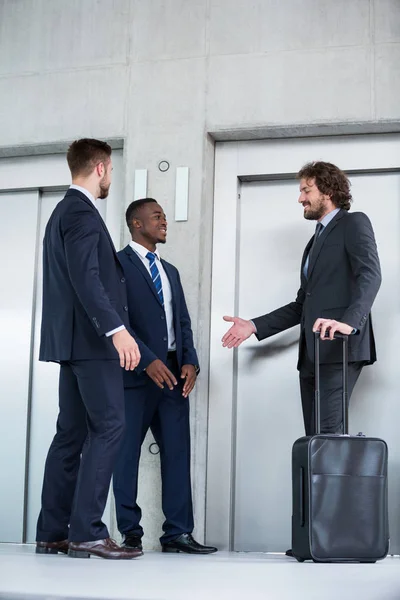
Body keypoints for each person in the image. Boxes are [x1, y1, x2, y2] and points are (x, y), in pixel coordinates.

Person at [35, 138, 142, 560]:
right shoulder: (81, 212)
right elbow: (86, 277)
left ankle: (53, 533)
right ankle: (87, 533)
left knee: (71, 434)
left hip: (72, 343)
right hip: (94, 343)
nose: (110, 178)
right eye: (112, 171)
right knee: (110, 426)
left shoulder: (61, 212)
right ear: (100, 168)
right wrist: (116, 329)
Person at [222, 161, 381, 437]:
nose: (300, 198)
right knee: (314, 438)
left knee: (328, 436)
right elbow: (301, 305)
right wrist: (253, 325)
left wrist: (349, 323)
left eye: (306, 190)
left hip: (339, 348)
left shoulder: (354, 223)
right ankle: (313, 483)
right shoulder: (314, 241)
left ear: (328, 191)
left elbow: (371, 275)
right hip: (311, 354)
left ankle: (333, 482)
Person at [113, 198, 217, 555]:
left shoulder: (169, 270)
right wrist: (146, 359)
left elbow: (182, 322)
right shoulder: (117, 264)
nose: (164, 221)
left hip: (174, 374)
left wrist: (190, 361)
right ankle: (130, 533)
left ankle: (177, 533)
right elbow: (117, 322)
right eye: (157, 216)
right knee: (124, 455)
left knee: (177, 452)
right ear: (137, 223)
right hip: (134, 374)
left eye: (165, 216)